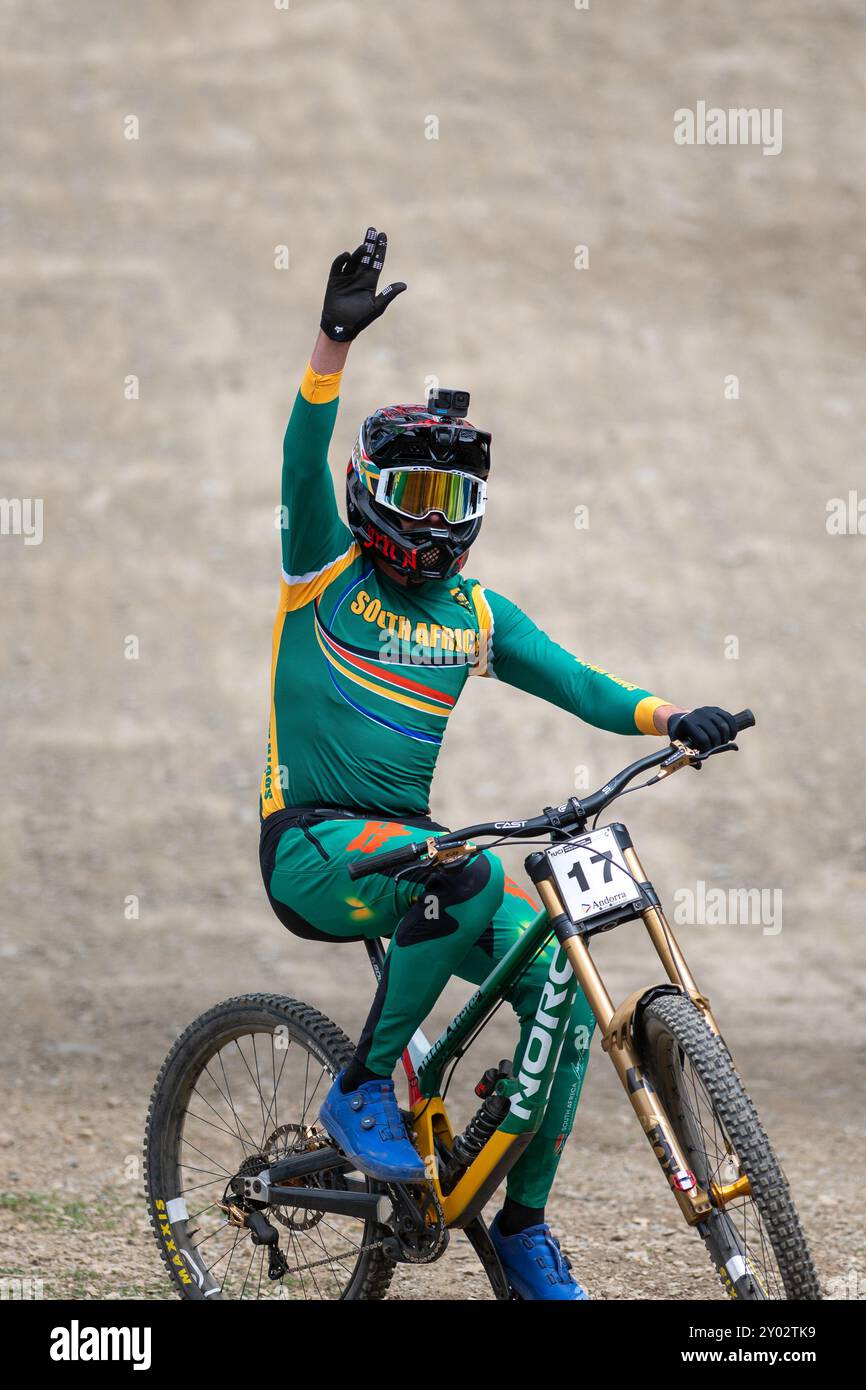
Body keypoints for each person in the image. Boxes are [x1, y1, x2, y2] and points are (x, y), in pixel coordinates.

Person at [259, 227, 740, 1300]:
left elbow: (578, 681)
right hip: (312, 846)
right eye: (414, 496)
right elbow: (297, 457)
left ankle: (517, 1225)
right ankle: (361, 1084)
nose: (435, 522)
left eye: (451, 501)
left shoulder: (477, 611)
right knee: (468, 870)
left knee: (563, 987)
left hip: (418, 859)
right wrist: (329, 345)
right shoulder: (318, 572)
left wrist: (672, 718)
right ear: (369, 494)